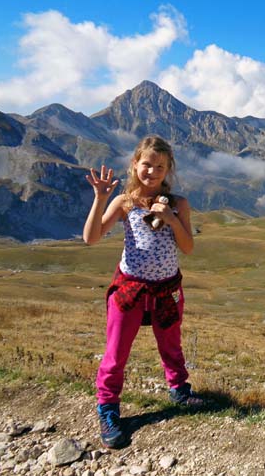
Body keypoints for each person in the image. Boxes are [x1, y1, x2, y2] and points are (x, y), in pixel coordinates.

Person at [83, 135, 202, 449]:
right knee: (116, 352)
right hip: (130, 289)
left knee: (171, 346)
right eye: (147, 164)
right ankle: (108, 408)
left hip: (167, 289)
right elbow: (91, 238)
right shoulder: (124, 202)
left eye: (160, 167)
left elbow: (188, 248)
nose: (152, 171)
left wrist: (171, 220)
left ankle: (179, 390)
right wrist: (99, 198)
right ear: (135, 164)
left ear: (168, 170)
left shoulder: (178, 204)